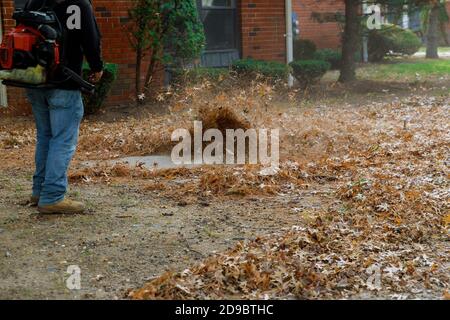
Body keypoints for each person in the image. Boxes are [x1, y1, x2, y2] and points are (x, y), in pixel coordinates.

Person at [24, 0, 103, 214]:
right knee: (63, 140)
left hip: (34, 79)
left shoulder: (35, 1)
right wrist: (97, 66)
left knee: (45, 137)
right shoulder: (78, 3)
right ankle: (53, 196)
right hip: (64, 82)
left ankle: (39, 191)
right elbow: (91, 38)